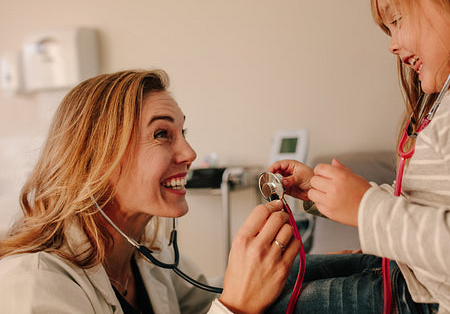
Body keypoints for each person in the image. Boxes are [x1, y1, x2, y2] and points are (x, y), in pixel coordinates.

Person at [267, 0, 450, 313]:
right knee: (277, 279)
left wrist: (366, 207)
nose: (392, 44)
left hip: (429, 300)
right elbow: (426, 208)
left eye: (398, 20)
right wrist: (324, 194)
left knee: (271, 303)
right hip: (413, 277)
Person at [0, 70, 301, 313]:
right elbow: (228, 303)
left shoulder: (152, 256)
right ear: (98, 157)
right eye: (161, 134)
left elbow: (206, 300)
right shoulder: (32, 284)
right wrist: (235, 309)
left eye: (182, 133)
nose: (190, 152)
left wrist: (306, 267)